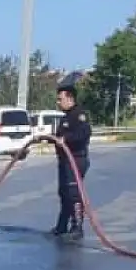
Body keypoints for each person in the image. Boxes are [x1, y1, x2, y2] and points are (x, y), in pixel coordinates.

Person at [45, 84, 92, 239]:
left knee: (73, 194)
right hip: (64, 161)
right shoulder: (65, 118)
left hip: (76, 160)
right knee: (64, 193)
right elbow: (59, 137)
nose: (58, 102)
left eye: (60, 99)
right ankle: (62, 225)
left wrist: (66, 139)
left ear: (70, 98)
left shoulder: (79, 115)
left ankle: (77, 226)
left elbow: (84, 133)